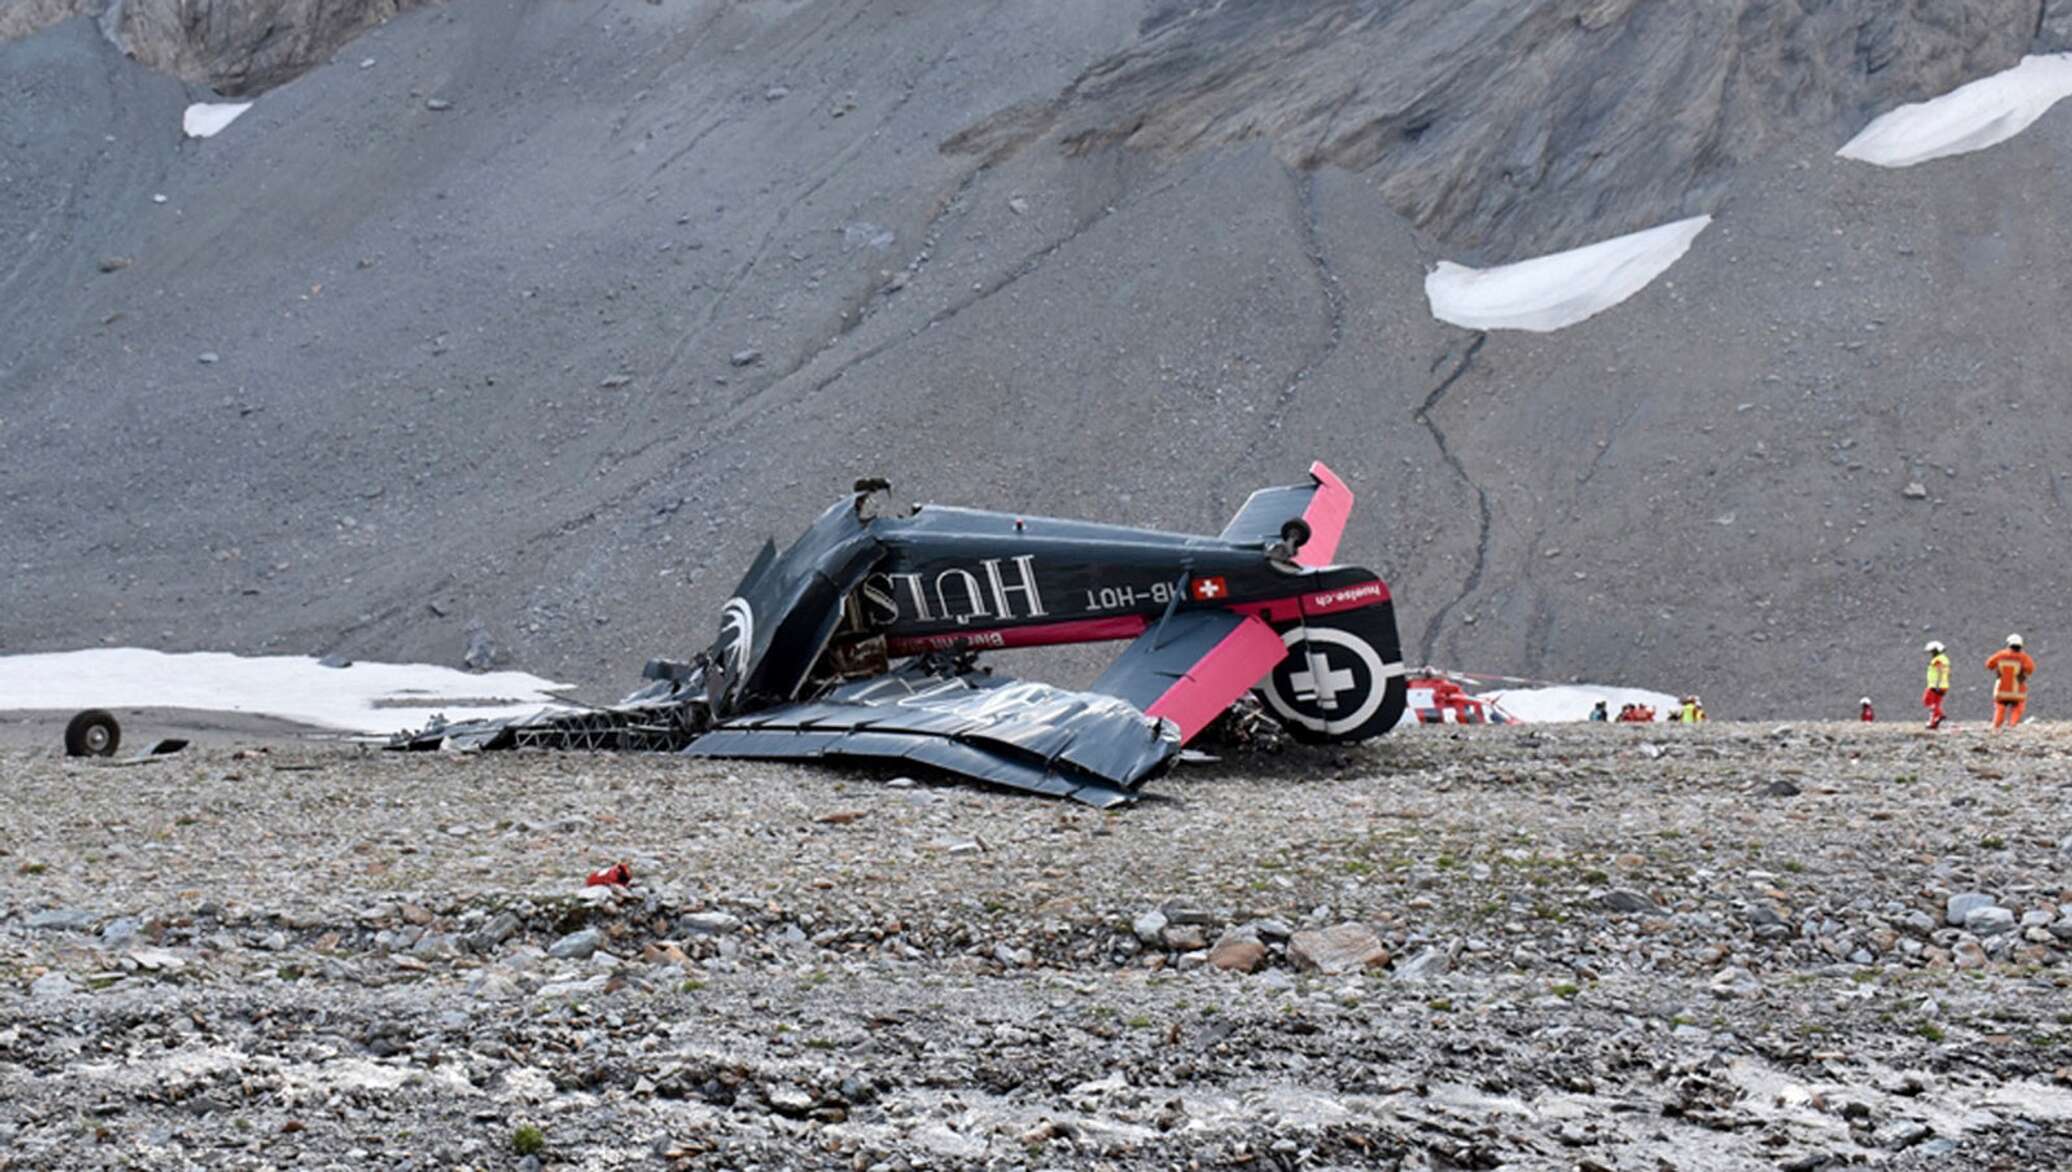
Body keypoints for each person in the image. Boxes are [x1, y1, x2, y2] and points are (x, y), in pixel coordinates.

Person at [1986, 634, 2036, 731]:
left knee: (2000, 706)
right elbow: (2031, 669)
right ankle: (2012, 725)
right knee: (2018, 707)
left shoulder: (2000, 655)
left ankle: (1997, 726)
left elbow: (1989, 664)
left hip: (2002, 688)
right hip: (2018, 689)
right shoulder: (2024, 657)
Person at [1922, 641, 1950, 729]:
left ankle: (1939, 714)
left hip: (1935, 685)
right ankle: (1934, 722)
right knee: (1936, 703)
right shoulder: (1944, 659)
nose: (1931, 653)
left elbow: (1939, 672)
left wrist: (1935, 686)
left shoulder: (1938, 660)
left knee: (1928, 701)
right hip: (1943, 685)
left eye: (1932, 651)